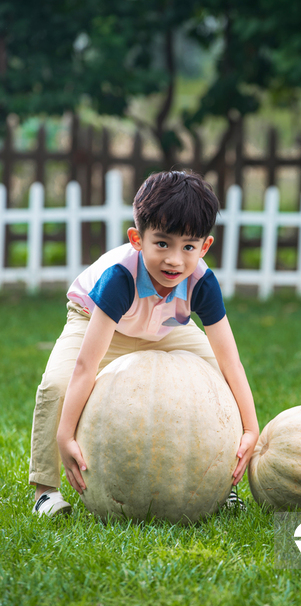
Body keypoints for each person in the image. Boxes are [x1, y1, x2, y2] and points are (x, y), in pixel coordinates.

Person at [30, 170, 259, 517]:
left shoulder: (202, 282)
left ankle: (223, 486)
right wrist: (66, 433)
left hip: (163, 326)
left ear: (205, 246)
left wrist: (251, 427)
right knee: (56, 385)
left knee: (219, 379)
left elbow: (231, 363)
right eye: (162, 243)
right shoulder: (120, 277)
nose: (174, 260)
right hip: (97, 319)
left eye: (189, 247)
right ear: (138, 239)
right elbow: (85, 366)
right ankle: (45, 491)